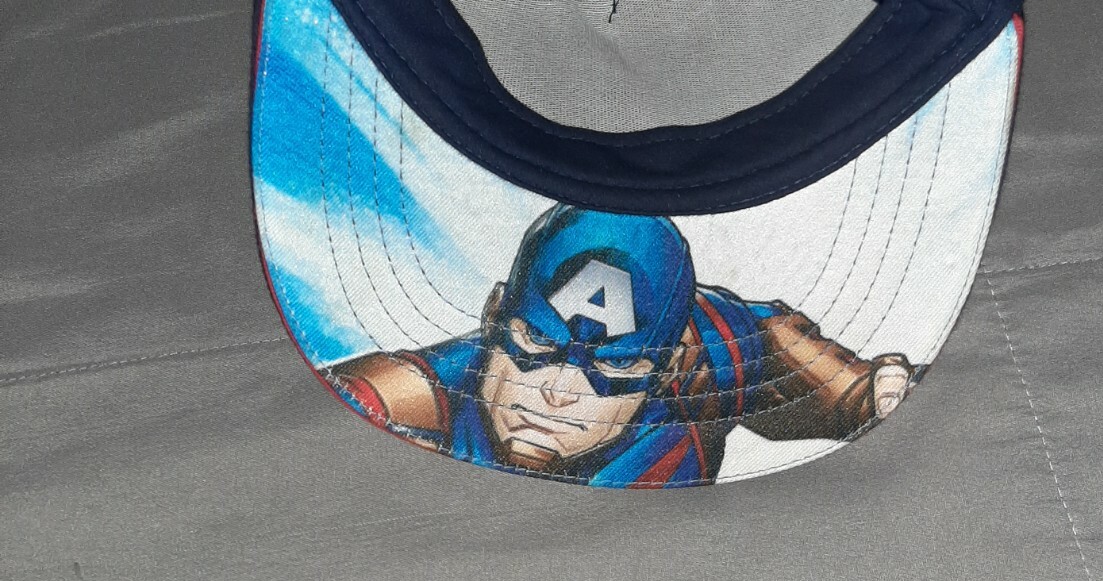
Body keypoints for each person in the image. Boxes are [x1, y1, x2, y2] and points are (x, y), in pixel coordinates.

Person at [331, 203, 916, 487]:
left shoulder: (705, 358)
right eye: (537, 341)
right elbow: (353, 404)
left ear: (667, 366)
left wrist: (864, 395)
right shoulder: (425, 396)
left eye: (612, 366)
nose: (558, 392)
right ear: (494, 317)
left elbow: (778, 350)